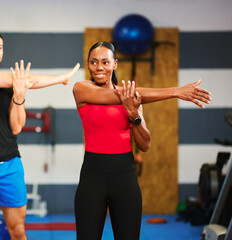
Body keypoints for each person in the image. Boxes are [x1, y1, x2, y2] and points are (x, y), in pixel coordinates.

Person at [72, 41, 212, 240]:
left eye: (105, 62)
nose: (99, 67)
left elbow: (144, 145)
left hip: (125, 178)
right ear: (88, 65)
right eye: (94, 62)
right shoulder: (82, 89)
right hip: (92, 178)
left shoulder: (132, 101)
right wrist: (175, 91)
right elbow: (117, 95)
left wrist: (134, 116)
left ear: (115, 64)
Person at [0, 28, 79, 240]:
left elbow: (16, 127)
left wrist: (19, 96)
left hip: (10, 166)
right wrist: (60, 78)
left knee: (18, 232)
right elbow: (25, 79)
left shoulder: (12, 84)